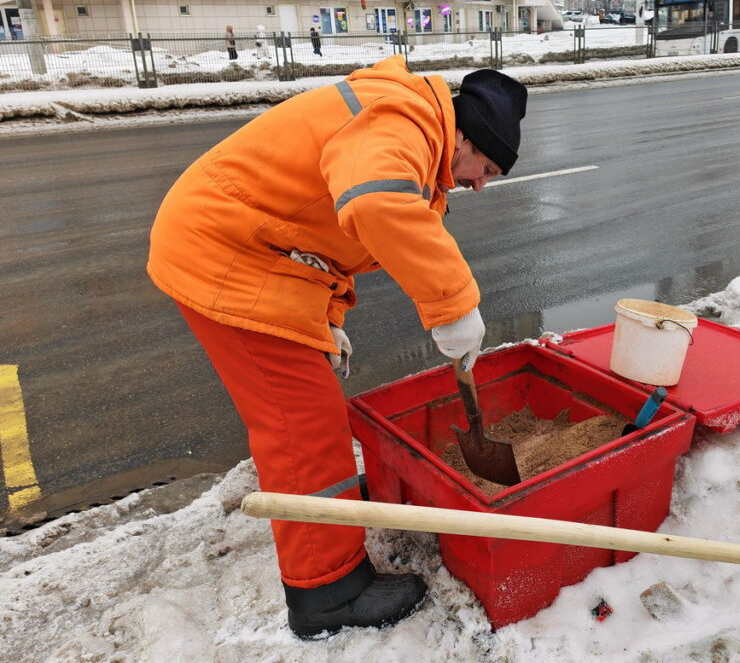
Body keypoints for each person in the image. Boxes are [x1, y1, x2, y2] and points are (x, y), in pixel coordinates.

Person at [147, 55, 528, 639]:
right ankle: (325, 592)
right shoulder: (401, 123)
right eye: (488, 167)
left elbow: (321, 232)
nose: (480, 183)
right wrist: (454, 305)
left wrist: (326, 318)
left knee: (308, 419)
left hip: (252, 252)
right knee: (304, 429)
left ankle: (326, 553)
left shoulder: (408, 131)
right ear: (468, 137)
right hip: (226, 256)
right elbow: (375, 206)